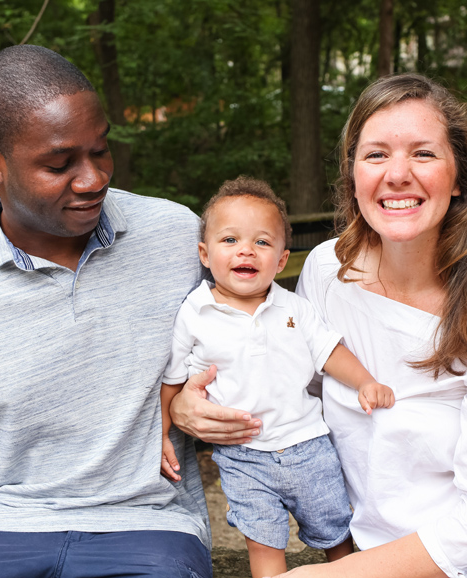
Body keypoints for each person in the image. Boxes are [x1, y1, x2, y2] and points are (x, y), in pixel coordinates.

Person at [171, 74, 467, 578]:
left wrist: (321, 575)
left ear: (460, 180)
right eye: (376, 154)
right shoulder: (327, 270)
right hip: (388, 547)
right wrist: (190, 407)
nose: (398, 174)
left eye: (424, 154)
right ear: (353, 177)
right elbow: (296, 384)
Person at [0, 45, 257, 578]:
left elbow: (267, 341)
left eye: (100, 151)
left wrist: (192, 400)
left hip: (146, 530)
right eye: (60, 164)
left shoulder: (177, 237)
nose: (93, 178)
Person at [159, 177, 394, 578]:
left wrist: (366, 381)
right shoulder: (194, 312)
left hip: (308, 446)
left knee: (334, 530)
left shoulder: (294, 308)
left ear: (282, 260)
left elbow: (330, 351)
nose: (246, 250)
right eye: (229, 240)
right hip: (242, 454)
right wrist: (163, 433)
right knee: (263, 539)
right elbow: (173, 380)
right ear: (204, 253)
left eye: (262, 243)